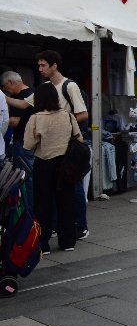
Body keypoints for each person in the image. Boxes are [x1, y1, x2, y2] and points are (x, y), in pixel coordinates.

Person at [7, 51, 90, 240]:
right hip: (50, 148)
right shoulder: (44, 86)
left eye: (43, 65)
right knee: (53, 188)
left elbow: (83, 114)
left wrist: (61, 126)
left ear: (54, 66)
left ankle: (80, 225)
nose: (40, 69)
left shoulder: (70, 86)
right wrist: (3, 97)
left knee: (72, 186)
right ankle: (54, 226)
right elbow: (22, 104)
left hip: (68, 145)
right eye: (39, 65)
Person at [24, 83, 83, 253]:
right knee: (66, 201)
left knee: (43, 203)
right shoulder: (68, 115)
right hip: (66, 164)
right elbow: (78, 138)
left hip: (44, 163)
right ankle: (68, 241)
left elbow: (28, 144)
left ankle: (43, 242)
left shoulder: (36, 118)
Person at [1, 71, 34, 204]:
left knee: (24, 177)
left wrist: (3, 118)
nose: (5, 90)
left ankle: (27, 207)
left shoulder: (20, 97)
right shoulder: (32, 92)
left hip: (22, 142)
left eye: (4, 86)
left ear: (10, 82)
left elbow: (14, 121)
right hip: (32, 142)